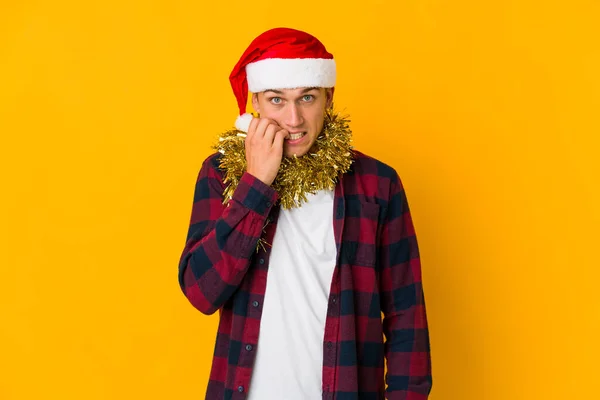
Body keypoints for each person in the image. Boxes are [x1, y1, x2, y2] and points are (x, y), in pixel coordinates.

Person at [178, 27, 432, 400]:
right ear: (256, 104)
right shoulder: (221, 174)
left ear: (328, 98)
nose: (293, 120)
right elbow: (201, 292)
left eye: (307, 98)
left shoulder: (377, 185)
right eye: (277, 100)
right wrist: (256, 183)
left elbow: (406, 317)